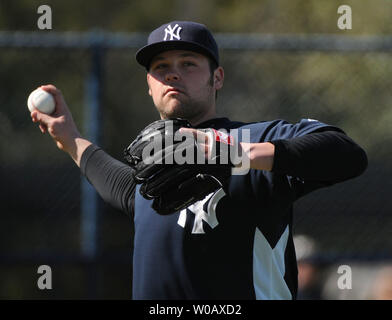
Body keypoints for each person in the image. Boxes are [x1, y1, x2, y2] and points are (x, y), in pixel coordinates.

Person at [30, 21, 368, 300]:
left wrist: (229, 152)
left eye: (188, 63)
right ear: (149, 86)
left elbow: (345, 154)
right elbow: (126, 190)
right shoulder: (157, 161)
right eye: (161, 67)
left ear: (217, 78)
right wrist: (70, 137)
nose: (172, 74)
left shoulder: (255, 138)